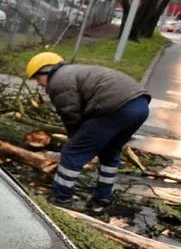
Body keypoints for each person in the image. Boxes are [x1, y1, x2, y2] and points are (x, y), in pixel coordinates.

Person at [26, 52, 151, 212]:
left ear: (46, 71)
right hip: (140, 106)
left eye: (37, 78)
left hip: (115, 107)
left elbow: (71, 114)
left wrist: (76, 140)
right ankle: (102, 198)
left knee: (72, 152)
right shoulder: (72, 72)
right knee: (110, 150)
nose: (38, 84)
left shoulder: (58, 82)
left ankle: (61, 199)